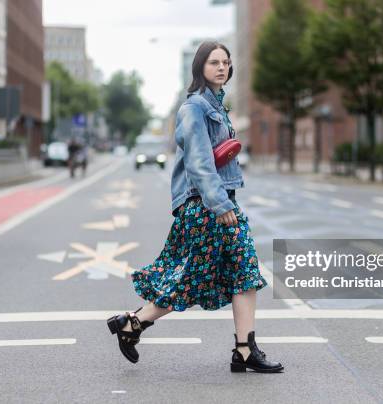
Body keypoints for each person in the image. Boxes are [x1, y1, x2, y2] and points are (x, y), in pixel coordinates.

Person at [106, 41, 284, 373]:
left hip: (221, 201)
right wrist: (219, 204)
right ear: (199, 67)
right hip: (207, 205)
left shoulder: (217, 106)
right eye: (214, 62)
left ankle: (244, 349)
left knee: (243, 271)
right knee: (194, 276)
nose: (221, 67)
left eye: (226, 62)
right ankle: (133, 322)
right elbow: (200, 163)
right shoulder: (194, 109)